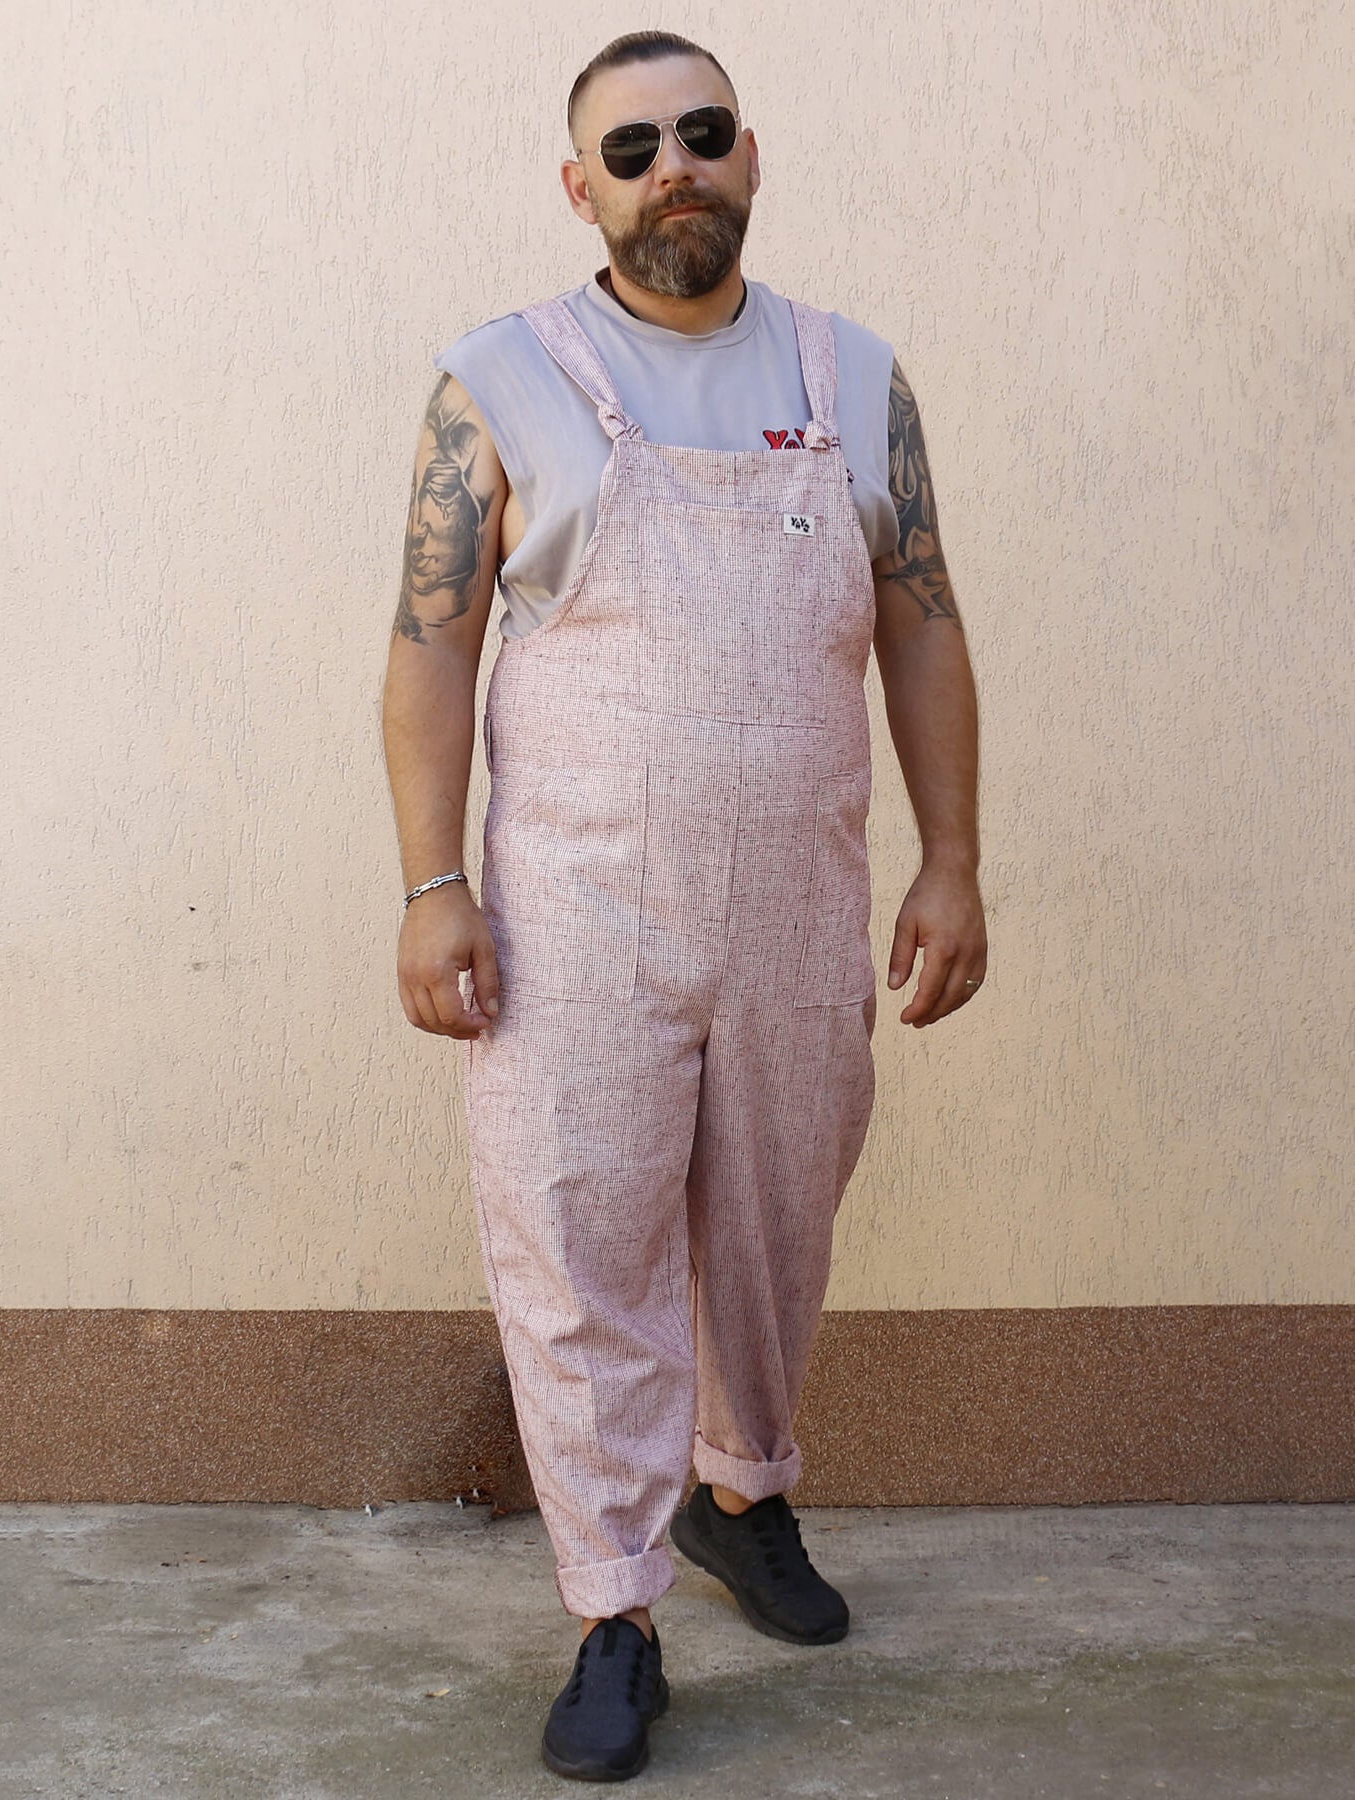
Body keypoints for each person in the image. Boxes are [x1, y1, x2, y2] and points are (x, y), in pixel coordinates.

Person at [381, 29, 987, 1783]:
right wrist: (432, 886)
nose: (673, 169)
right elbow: (429, 650)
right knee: (582, 1252)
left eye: (701, 135)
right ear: (582, 189)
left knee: (776, 1225)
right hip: (572, 912)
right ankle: (613, 1610)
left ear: (748, 155)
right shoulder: (501, 379)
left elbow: (923, 623)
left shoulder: (851, 372)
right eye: (630, 147)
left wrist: (950, 858)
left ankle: (741, 1496)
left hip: (800, 904)